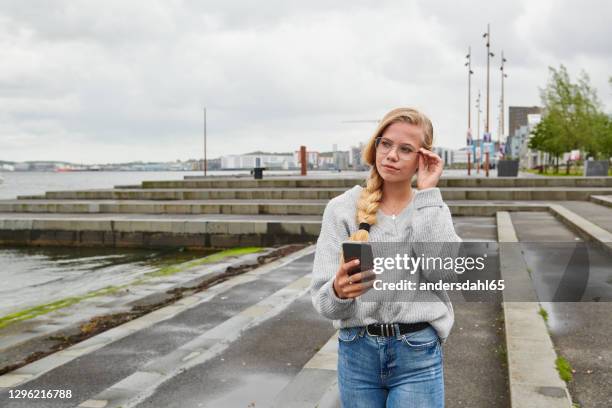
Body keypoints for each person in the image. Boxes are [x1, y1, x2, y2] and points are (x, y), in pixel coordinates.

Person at [310, 107, 462, 407]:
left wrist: (429, 192)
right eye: (386, 143)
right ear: (375, 145)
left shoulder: (431, 208)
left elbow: (447, 274)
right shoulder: (341, 209)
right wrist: (339, 291)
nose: (392, 155)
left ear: (423, 158)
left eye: (406, 149)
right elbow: (324, 303)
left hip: (417, 352)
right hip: (356, 354)